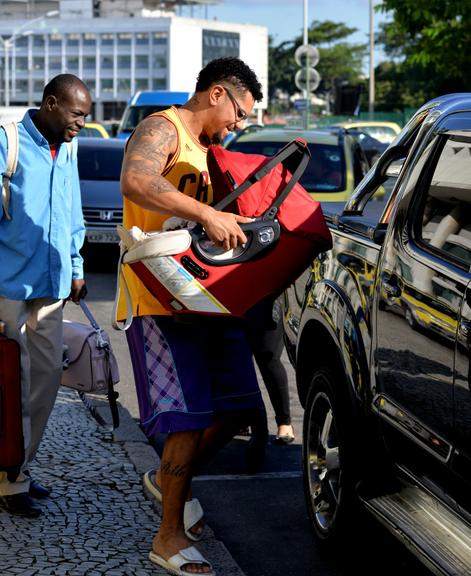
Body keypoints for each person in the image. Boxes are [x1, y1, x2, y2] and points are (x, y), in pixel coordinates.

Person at [119, 57, 264, 576]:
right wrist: (207, 213)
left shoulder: (212, 151)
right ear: (219, 93)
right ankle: (168, 536)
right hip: (158, 299)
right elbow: (135, 180)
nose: (240, 124)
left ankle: (165, 480)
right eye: (241, 112)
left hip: (207, 299)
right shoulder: (163, 128)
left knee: (240, 407)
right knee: (186, 419)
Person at [0, 74, 91, 518]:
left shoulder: (68, 148)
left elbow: (71, 210)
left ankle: (15, 465)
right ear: (51, 103)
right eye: (76, 115)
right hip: (8, 286)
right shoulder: (8, 143)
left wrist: (75, 268)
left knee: (47, 378)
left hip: (52, 288)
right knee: (9, 384)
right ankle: (10, 478)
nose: (81, 125)